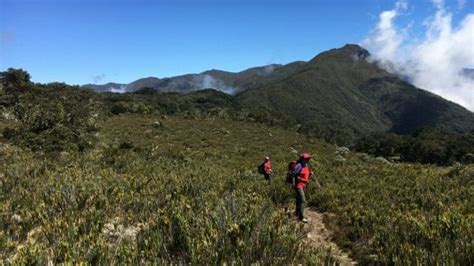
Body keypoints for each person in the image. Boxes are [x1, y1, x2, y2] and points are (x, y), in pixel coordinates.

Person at [291, 153, 315, 223]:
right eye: (306, 159)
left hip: (303, 185)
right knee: (303, 200)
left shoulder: (306, 166)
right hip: (298, 185)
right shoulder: (299, 165)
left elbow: (306, 177)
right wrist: (293, 184)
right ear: (302, 159)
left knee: (298, 199)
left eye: (308, 159)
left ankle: (297, 213)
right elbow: (293, 174)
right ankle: (301, 217)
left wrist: (310, 174)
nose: (308, 160)